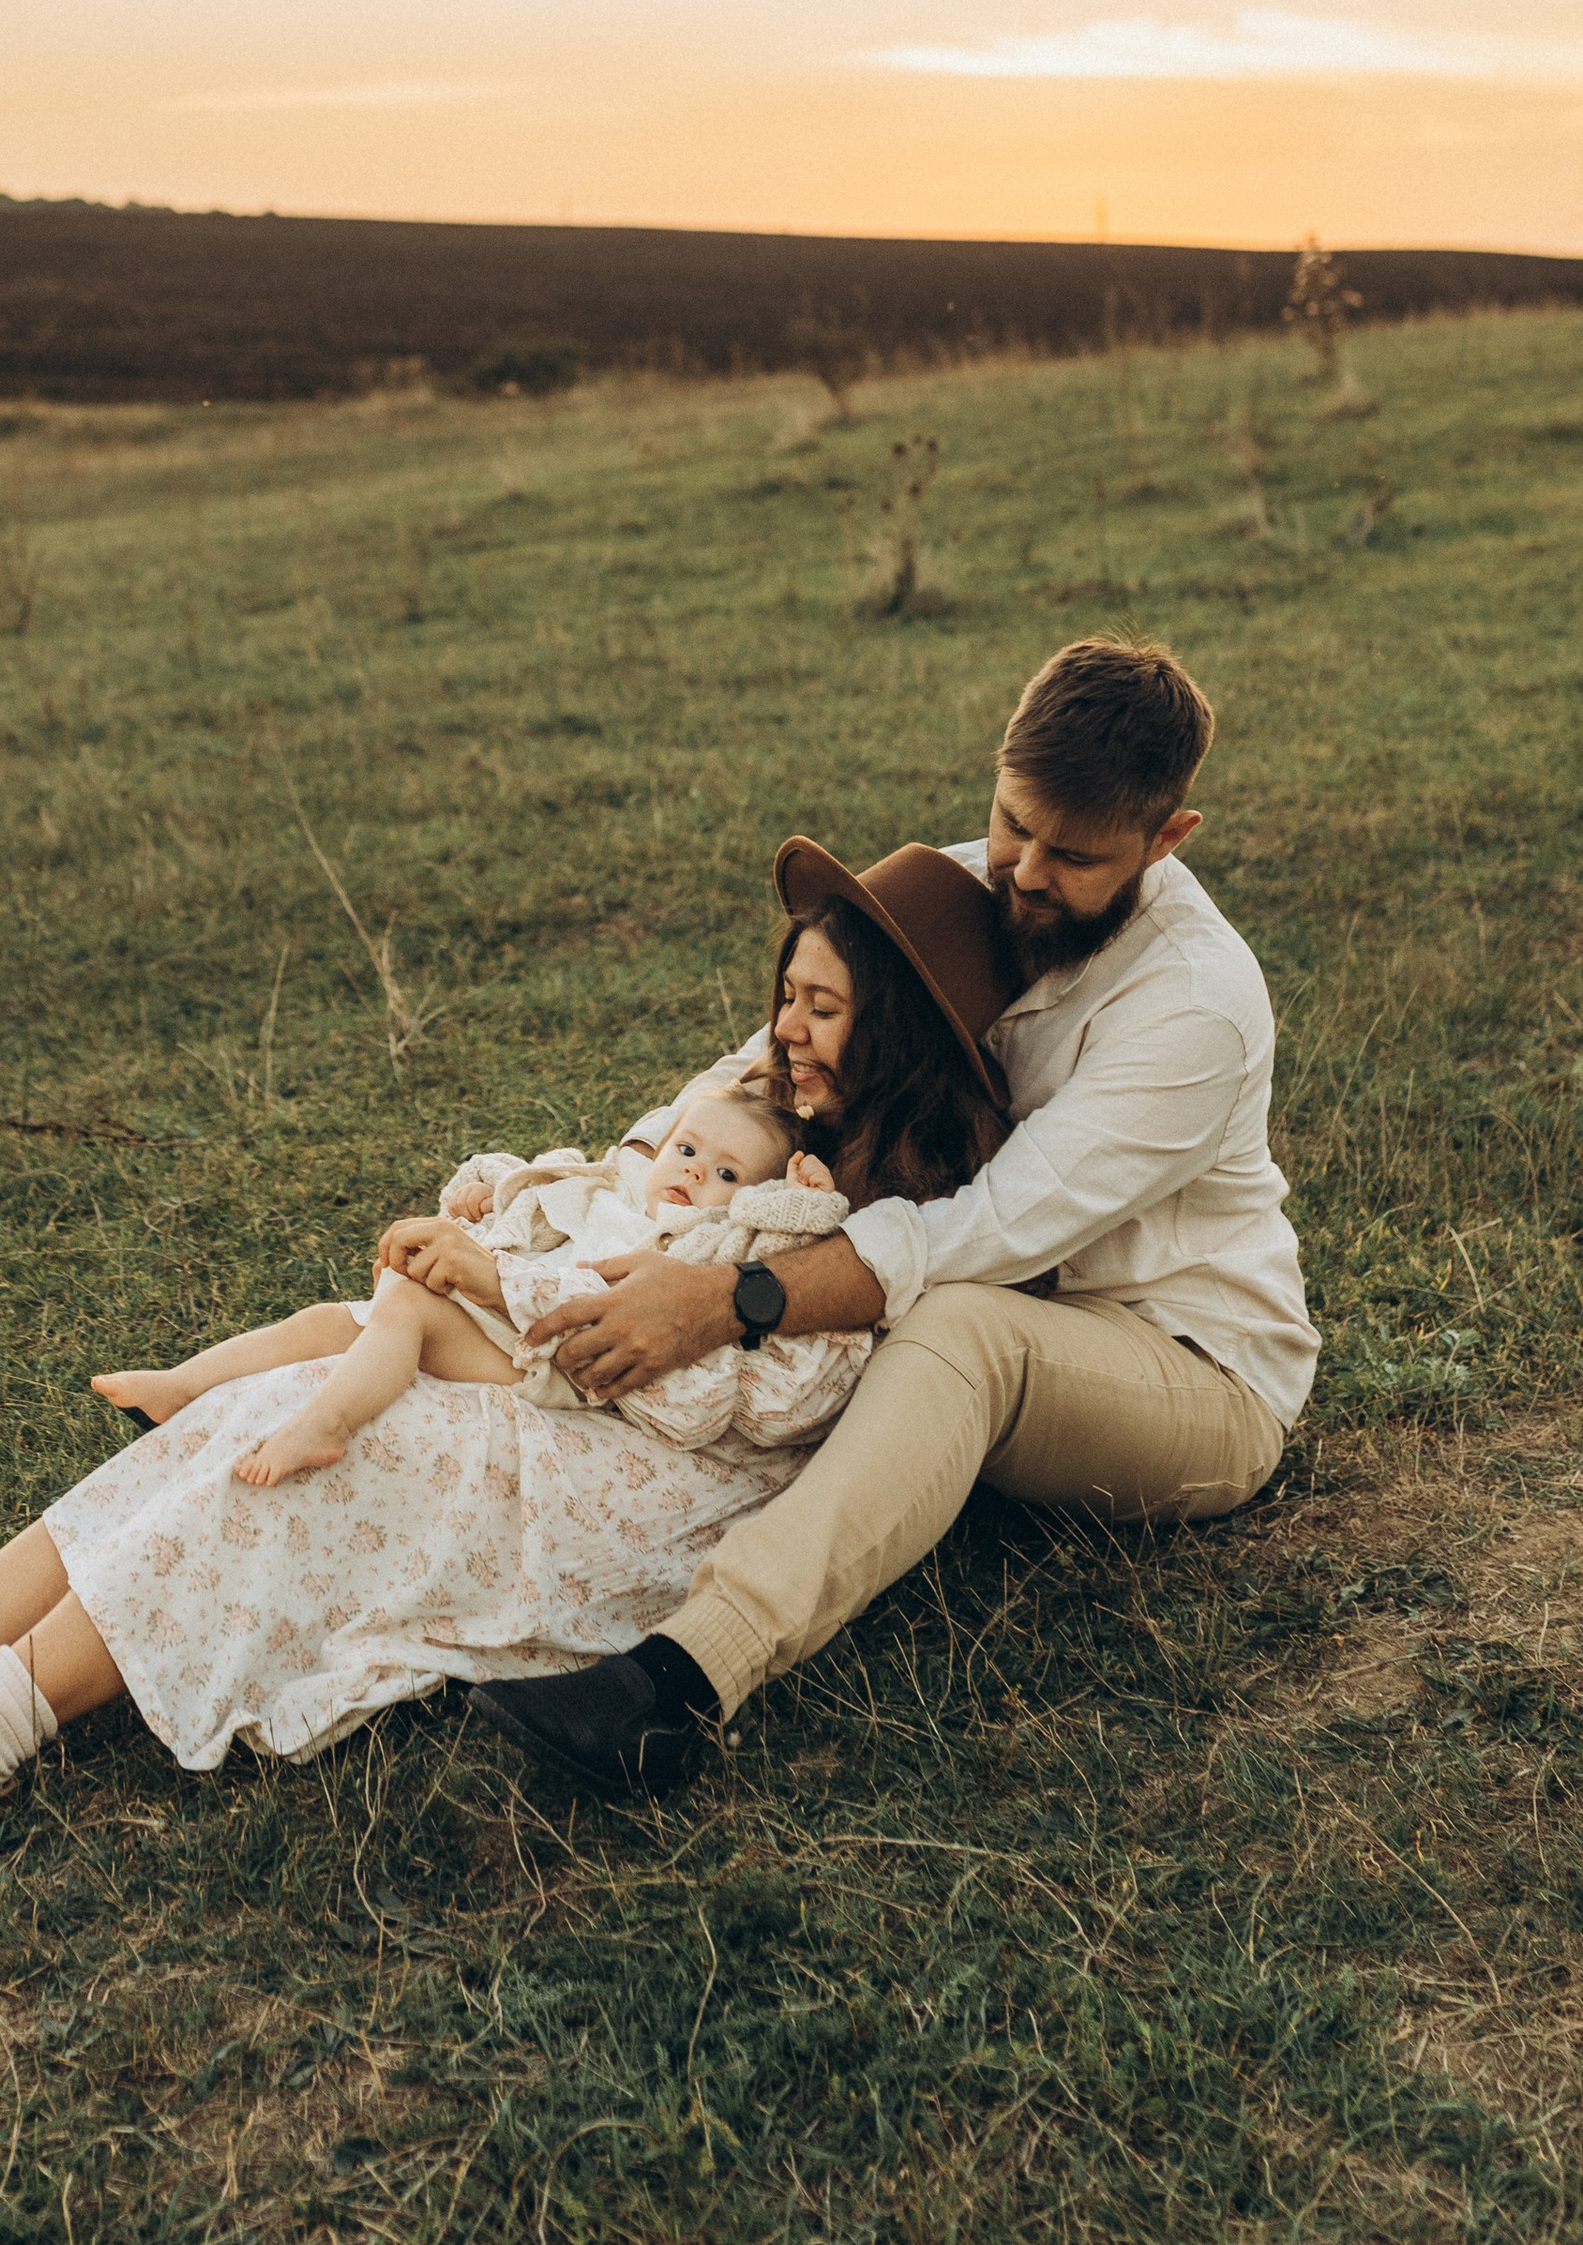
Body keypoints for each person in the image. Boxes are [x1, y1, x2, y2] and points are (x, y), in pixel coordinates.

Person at [0, 853, 1013, 1878]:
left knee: (336, 1437)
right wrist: (501, 1227)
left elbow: (731, 1394)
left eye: (825, 1011)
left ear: (893, 1032)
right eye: (788, 997)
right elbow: (613, 1202)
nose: (787, 1031)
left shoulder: (884, 1226)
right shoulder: (756, 1121)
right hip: (542, 1405)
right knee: (272, 1397)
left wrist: (507, 1287)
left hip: (638, 1494)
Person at [468, 636, 1319, 1796]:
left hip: (1183, 1366)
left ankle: (677, 1685)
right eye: (1013, 822)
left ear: (1166, 839)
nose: (1022, 872)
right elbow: (780, 1051)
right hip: (956, 1307)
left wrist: (725, 1303)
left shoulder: (1195, 1007)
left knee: (957, 1323)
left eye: (1074, 856)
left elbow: (987, 1231)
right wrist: (629, 1183)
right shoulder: (968, 882)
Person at [87, 1083, 862, 1483]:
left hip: (559, 1363)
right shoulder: (627, 1189)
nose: (693, 1170)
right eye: (687, 1147)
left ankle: (326, 1422)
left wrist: (801, 1190)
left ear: (754, 1193)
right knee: (333, 1317)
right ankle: (184, 1383)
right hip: (512, 1318)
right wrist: (483, 1192)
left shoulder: (696, 1249)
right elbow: (548, 1178)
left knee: (413, 1309)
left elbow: (788, 1228)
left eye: (725, 1171)